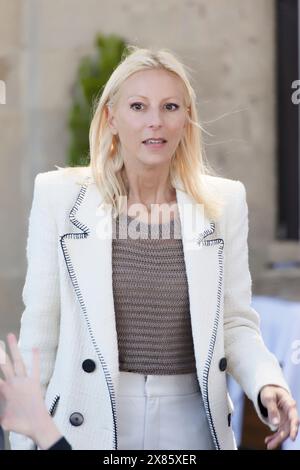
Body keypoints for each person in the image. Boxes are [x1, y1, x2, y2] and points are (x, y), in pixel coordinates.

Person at [7, 45, 299, 450]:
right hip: (89, 419)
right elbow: (41, 330)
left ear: (187, 119)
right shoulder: (58, 197)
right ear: (111, 118)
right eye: (139, 106)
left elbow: (235, 323)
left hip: (191, 423)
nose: (155, 122)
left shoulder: (224, 203)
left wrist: (269, 384)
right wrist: (25, 441)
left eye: (171, 107)